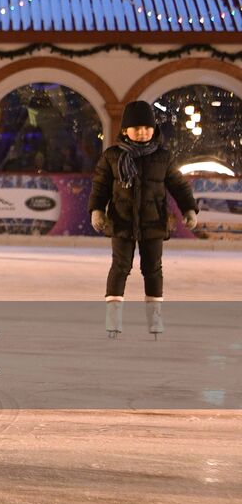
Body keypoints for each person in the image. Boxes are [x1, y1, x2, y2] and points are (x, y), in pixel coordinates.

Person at [89, 100, 198, 339]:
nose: (142, 132)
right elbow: (100, 187)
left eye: (147, 127)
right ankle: (113, 317)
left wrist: (189, 208)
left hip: (153, 222)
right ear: (125, 130)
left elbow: (178, 185)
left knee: (153, 269)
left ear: (154, 129)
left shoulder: (163, 157)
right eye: (136, 128)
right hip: (121, 221)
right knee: (120, 267)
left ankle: (154, 317)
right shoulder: (112, 156)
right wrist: (96, 210)